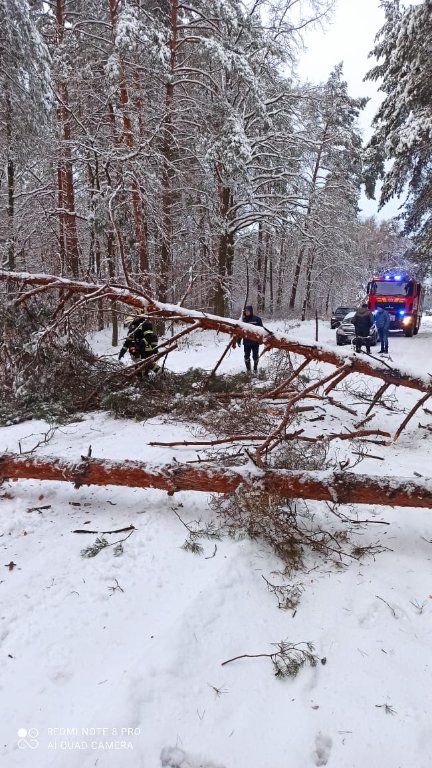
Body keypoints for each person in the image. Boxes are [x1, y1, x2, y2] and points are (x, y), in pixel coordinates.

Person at [236, 304, 263, 372]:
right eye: (245, 311)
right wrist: (239, 339)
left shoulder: (257, 319)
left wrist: (260, 340)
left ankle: (255, 368)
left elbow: (261, 330)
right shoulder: (243, 320)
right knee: (246, 356)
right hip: (246, 342)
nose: (247, 312)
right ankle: (248, 370)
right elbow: (241, 332)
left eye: (248, 311)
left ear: (251, 311)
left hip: (255, 342)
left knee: (255, 356)